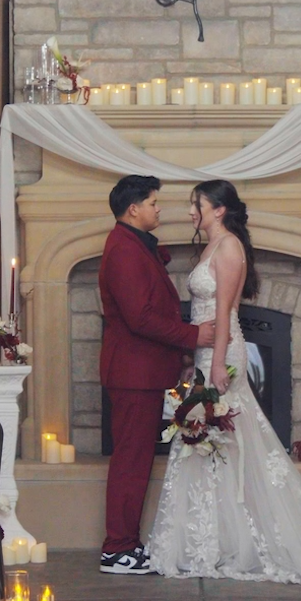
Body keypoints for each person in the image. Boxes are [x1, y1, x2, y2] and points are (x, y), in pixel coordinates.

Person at [146, 179, 301, 589]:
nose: (191, 212)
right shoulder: (211, 246)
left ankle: (233, 540)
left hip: (224, 352)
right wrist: (194, 361)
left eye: (197, 205)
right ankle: (210, 538)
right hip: (208, 354)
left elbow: (224, 312)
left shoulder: (228, 248)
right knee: (211, 444)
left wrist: (218, 363)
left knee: (228, 440)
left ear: (218, 209)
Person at [96, 175, 216, 575]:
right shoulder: (124, 251)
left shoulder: (132, 246)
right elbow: (141, 318)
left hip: (142, 372)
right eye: (152, 202)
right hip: (133, 374)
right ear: (133, 209)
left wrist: (180, 351)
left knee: (136, 460)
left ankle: (125, 544)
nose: (158, 208)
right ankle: (117, 548)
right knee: (131, 461)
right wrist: (194, 335)